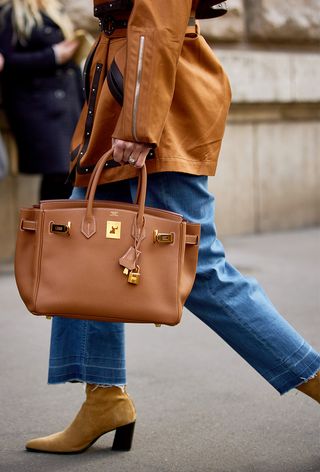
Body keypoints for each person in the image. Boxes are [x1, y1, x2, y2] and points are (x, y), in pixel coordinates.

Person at [24, 0, 320, 454]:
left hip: (150, 102)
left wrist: (140, 124)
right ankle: (103, 399)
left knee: (200, 267)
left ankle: (314, 377)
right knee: (81, 255)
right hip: (121, 92)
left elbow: (159, 20)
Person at [0, 0, 83, 200]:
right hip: (38, 107)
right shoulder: (10, 13)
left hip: (67, 103)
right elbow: (7, 62)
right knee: (59, 173)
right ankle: (48, 227)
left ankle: (55, 226)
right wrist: (52, 56)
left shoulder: (54, 7)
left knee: (69, 173)